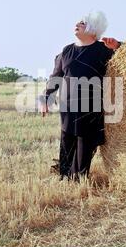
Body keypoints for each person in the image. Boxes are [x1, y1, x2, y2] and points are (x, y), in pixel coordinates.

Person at [40, 11, 121, 181]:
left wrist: (118, 46)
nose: (77, 24)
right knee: (66, 141)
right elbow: (55, 77)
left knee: (84, 147)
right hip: (68, 107)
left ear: (94, 29)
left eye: (83, 23)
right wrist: (46, 98)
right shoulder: (66, 51)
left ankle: (78, 178)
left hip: (91, 108)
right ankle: (64, 175)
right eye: (77, 22)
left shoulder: (103, 50)